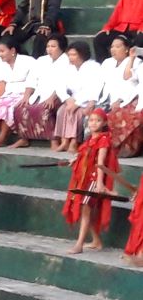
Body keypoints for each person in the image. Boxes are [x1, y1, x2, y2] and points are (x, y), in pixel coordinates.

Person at [64, 108, 120, 253]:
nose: (94, 123)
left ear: (104, 123)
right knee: (86, 210)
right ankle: (96, 241)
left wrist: (100, 183)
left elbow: (100, 163)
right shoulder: (90, 139)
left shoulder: (103, 140)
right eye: (92, 120)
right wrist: (75, 159)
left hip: (94, 179)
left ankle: (79, 245)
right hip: (86, 179)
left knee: (85, 208)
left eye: (98, 120)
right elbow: (85, 154)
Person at [0, 38, 38, 147]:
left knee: (10, 108)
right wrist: (0, 99)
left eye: (2, 51)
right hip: (9, 93)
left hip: (26, 93)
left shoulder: (28, 61)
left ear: (12, 50)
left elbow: (32, 81)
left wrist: (26, 97)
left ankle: (2, 137)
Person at [18, 36, 70, 146]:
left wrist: (52, 97)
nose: (49, 49)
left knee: (45, 109)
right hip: (38, 94)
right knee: (19, 108)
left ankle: (53, 140)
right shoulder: (41, 60)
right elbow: (31, 79)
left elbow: (65, 83)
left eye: (53, 46)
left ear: (61, 48)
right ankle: (24, 138)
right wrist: (26, 96)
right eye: (48, 46)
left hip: (58, 95)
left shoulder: (67, 61)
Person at [53, 41, 103, 152]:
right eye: (69, 55)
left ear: (82, 54)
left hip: (88, 100)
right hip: (72, 99)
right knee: (62, 111)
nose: (70, 58)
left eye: (74, 55)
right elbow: (59, 85)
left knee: (77, 113)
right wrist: (67, 99)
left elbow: (93, 87)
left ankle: (74, 141)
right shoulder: (68, 68)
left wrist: (77, 103)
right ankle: (64, 141)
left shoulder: (94, 67)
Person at [101, 34, 143, 156]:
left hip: (134, 100)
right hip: (131, 99)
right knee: (112, 116)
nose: (113, 49)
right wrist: (131, 59)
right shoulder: (137, 64)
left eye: (117, 46)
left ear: (126, 49)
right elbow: (127, 77)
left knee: (130, 117)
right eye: (112, 47)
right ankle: (109, 147)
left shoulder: (139, 62)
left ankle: (128, 149)